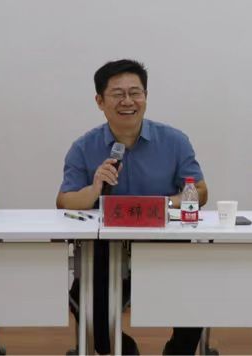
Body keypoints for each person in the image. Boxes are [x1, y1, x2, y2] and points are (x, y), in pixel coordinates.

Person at [57, 59, 208, 355]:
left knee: (197, 291)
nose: (128, 101)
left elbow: (199, 192)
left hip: (165, 243)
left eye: (135, 93)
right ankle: (123, 349)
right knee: (89, 308)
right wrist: (95, 189)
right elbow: (64, 200)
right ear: (100, 101)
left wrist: (163, 204)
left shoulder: (174, 141)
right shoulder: (84, 147)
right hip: (103, 250)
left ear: (146, 97)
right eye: (117, 94)